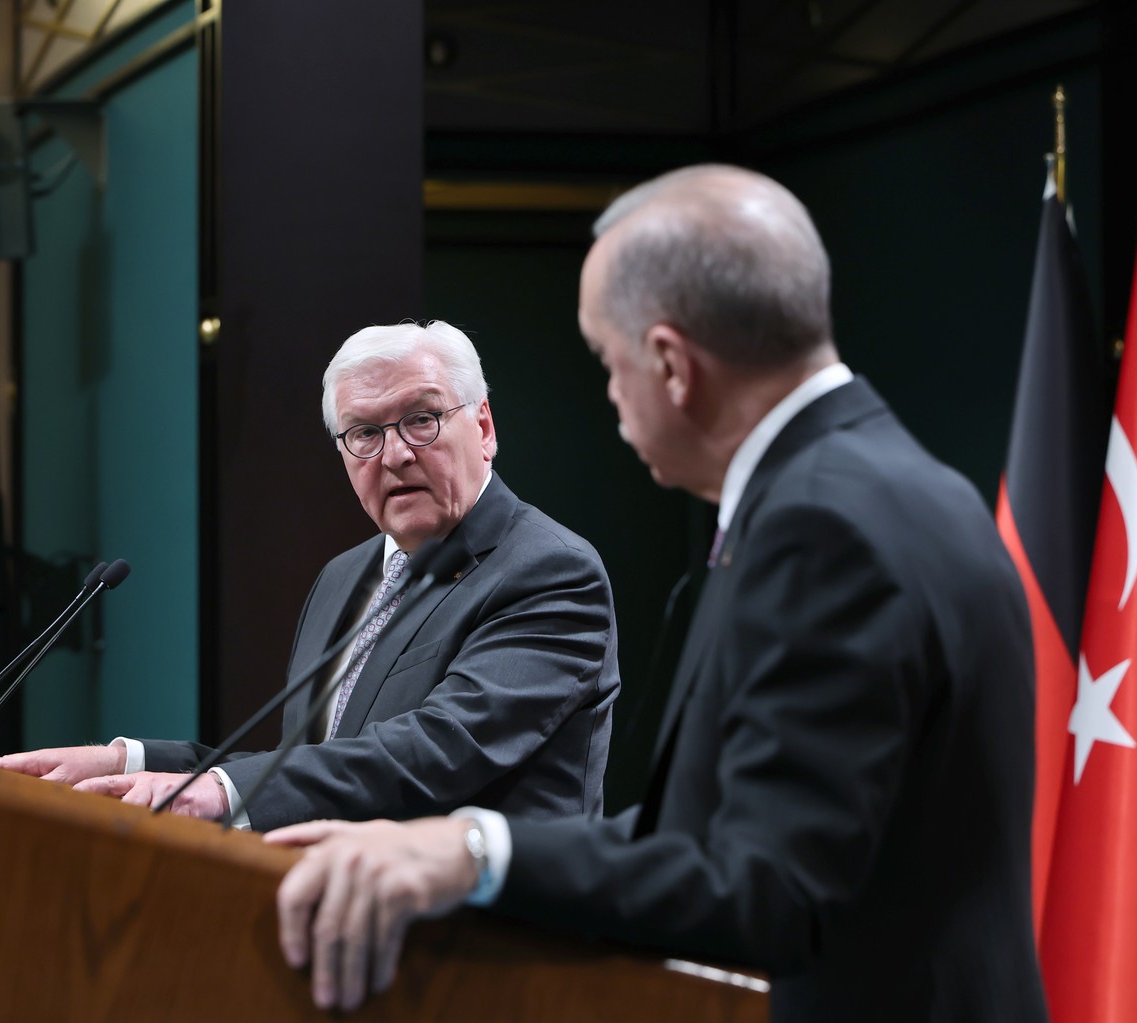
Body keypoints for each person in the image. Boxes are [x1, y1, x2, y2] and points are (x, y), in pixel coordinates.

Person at [267, 165, 1048, 1022]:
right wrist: (455, 846)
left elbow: (763, 884)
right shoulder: (904, 486)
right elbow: (719, 835)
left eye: (608, 361)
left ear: (672, 364)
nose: (610, 396)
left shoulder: (820, 528)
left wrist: (473, 852)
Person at [0, 321, 620, 831]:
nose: (396, 453)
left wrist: (219, 792)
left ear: (482, 426)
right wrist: (128, 762)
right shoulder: (345, 579)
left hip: (496, 956)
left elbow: (437, 750)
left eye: (421, 419)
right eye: (364, 433)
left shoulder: (547, 570)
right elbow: (314, 765)